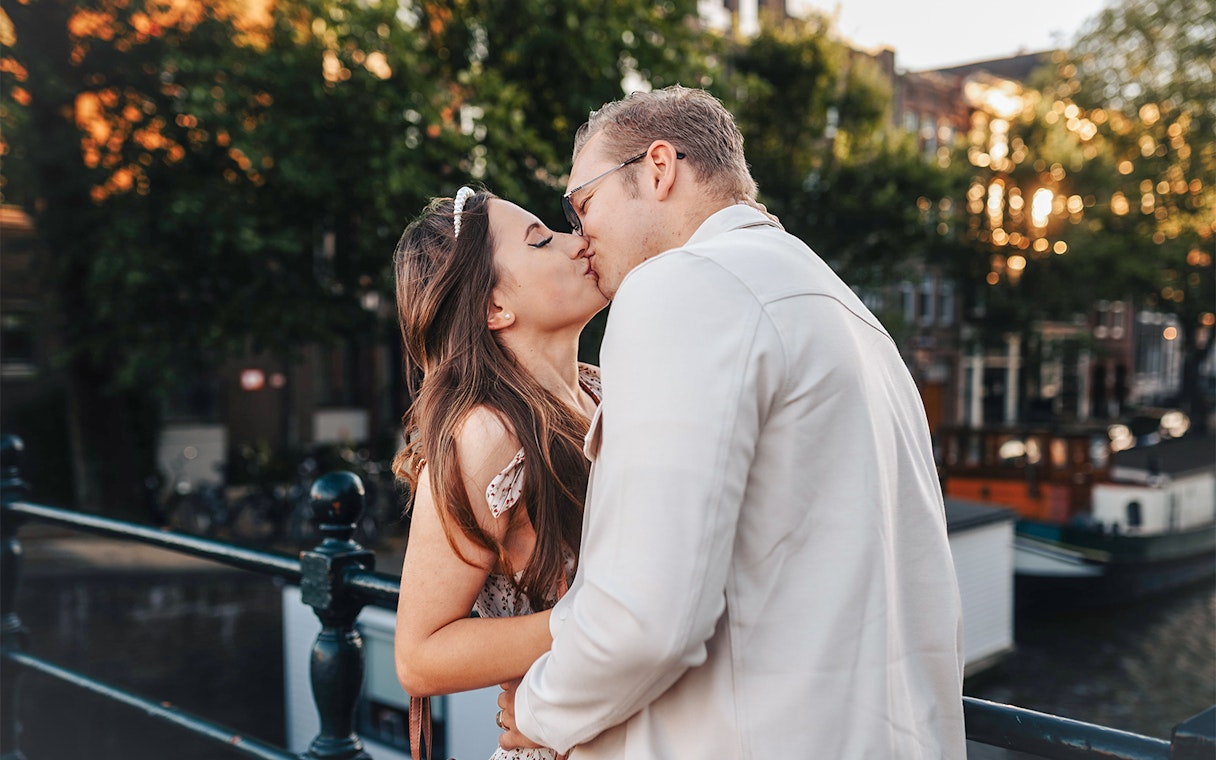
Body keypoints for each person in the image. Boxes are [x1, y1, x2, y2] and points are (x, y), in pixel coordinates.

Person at [498, 85, 968, 758]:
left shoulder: (680, 287)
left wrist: (538, 712)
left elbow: (645, 617)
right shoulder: (849, 313)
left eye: (582, 203)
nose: (579, 235)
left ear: (658, 168)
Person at [391, 187, 607, 760]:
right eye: (542, 239)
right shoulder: (486, 435)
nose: (578, 241)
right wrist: (601, 627)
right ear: (492, 308)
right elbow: (419, 655)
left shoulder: (604, 389)